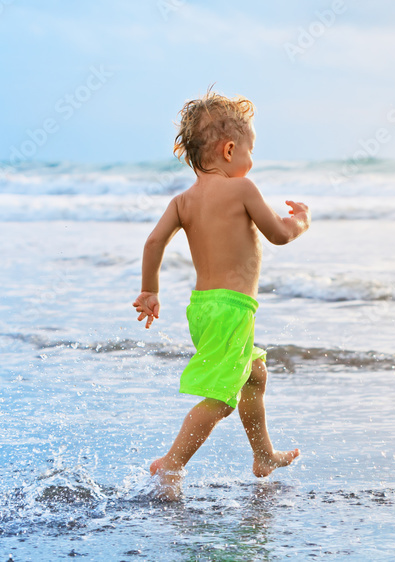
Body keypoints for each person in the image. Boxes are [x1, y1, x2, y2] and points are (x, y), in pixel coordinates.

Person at [132, 88, 310, 500]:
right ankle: (171, 464)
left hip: (203, 308)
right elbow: (280, 235)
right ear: (230, 150)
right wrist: (302, 220)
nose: (251, 161)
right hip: (232, 310)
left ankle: (263, 456)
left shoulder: (183, 201)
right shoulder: (243, 189)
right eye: (251, 150)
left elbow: (153, 243)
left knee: (254, 375)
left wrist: (150, 291)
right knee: (221, 398)